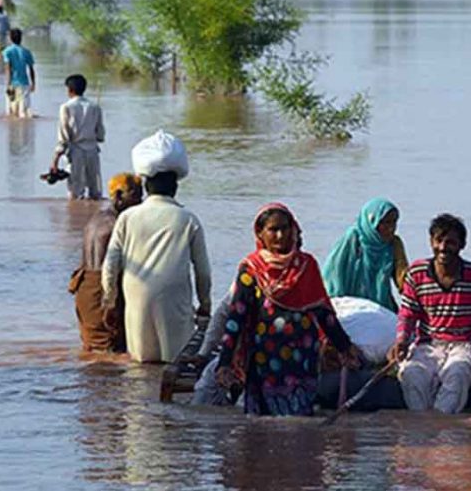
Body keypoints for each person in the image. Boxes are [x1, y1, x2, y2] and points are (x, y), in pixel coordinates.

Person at [215, 203, 360, 416]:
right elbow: (237, 316)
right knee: (263, 423)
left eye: (285, 228)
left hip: (301, 359)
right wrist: (224, 361)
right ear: (260, 233)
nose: (280, 235)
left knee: (298, 417)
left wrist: (344, 347)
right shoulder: (251, 270)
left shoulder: (306, 265)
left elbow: (323, 313)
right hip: (264, 359)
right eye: (273, 230)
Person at [387, 214, 471, 414]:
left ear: (462, 245)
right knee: (411, 374)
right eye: (438, 241)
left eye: (451, 242)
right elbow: (407, 315)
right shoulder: (416, 274)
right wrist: (401, 341)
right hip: (427, 345)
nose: (443, 248)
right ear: (431, 242)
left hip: (464, 345)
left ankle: (444, 431)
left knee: (457, 373)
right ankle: (422, 430)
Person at [101, 135, 212, 363]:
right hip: (175, 301)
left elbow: (110, 265)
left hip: (137, 297)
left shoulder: (127, 218)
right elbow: (203, 271)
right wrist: (204, 305)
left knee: (141, 365)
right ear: (175, 186)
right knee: (174, 362)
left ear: (146, 186)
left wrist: (110, 300)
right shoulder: (188, 219)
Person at [69, 173, 143, 352]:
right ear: (118, 196)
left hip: (84, 289)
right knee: (111, 353)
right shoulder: (117, 225)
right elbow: (116, 270)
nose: (140, 203)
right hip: (101, 291)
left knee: (93, 352)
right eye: (135, 197)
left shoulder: (96, 219)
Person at [322, 197, 409, 312]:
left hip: (382, 307)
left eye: (394, 222)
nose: (391, 228)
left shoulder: (394, 244)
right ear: (373, 221)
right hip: (351, 307)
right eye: (386, 223)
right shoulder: (354, 239)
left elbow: (403, 278)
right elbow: (334, 273)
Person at [50, 75, 103, 199]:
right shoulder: (95, 106)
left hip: (75, 153)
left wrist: (55, 159)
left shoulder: (66, 107)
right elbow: (100, 134)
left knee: (74, 193)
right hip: (92, 151)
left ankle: (75, 216)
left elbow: (63, 136)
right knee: (95, 191)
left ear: (70, 90)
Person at [2, 28, 36, 119]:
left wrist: (8, 84)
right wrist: (33, 83)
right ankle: (24, 131)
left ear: (10, 38)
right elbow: (31, 69)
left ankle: (13, 130)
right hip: (24, 84)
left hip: (13, 83)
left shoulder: (7, 51)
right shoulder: (26, 52)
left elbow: (8, 68)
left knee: (11, 111)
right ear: (21, 38)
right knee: (24, 112)